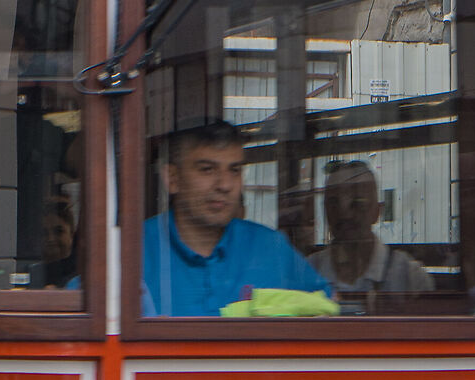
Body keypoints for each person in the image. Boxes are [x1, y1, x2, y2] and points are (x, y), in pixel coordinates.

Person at [141, 121, 333, 317]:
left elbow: (327, 310)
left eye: (234, 170)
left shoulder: (269, 247)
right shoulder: (135, 250)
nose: (225, 185)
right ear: (173, 178)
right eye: (207, 169)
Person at [309, 162, 435, 306]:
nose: (345, 213)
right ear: (325, 211)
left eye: (357, 202)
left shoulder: (410, 277)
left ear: (377, 211)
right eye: (333, 203)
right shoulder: (308, 270)